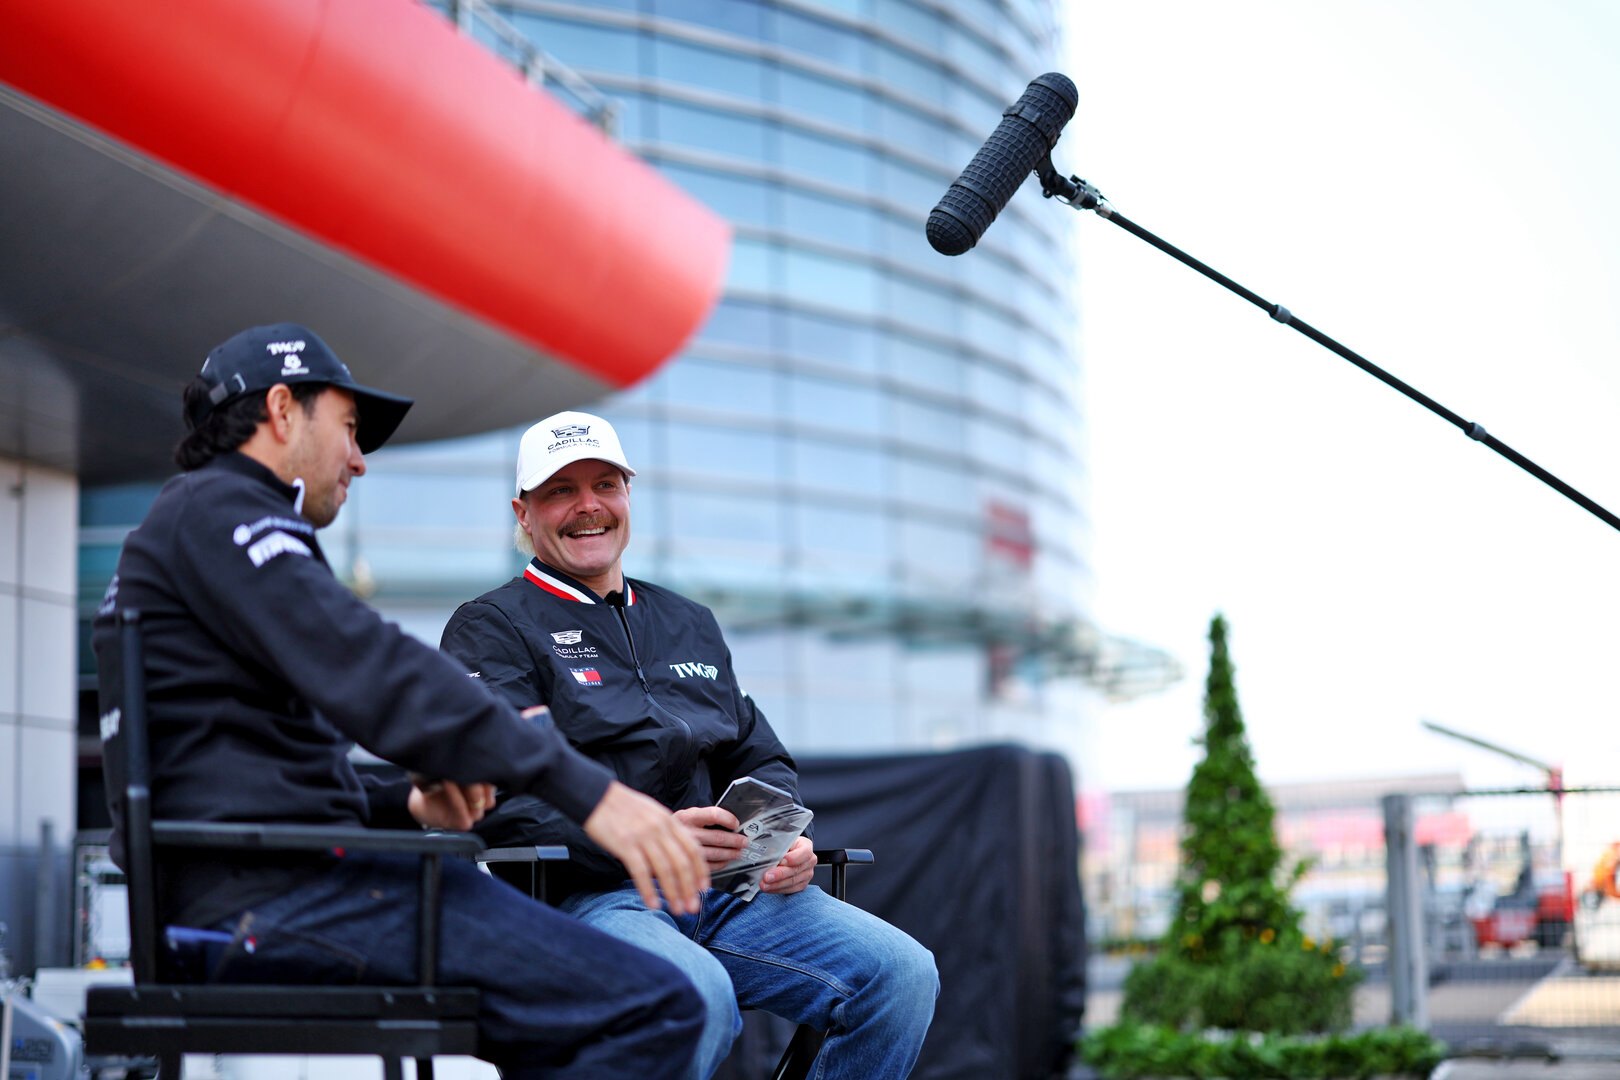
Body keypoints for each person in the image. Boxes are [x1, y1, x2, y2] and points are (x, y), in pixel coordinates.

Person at [91, 325, 714, 1080]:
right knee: (658, 1006)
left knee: (586, 1014)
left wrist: (408, 808)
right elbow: (373, 665)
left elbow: (258, 774)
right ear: (283, 410)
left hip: (276, 891)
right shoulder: (223, 510)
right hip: (281, 904)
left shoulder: (200, 525)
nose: (359, 459)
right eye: (349, 430)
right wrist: (592, 794)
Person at [439, 410, 939, 1080]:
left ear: (627, 496)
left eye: (606, 485)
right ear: (523, 514)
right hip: (593, 900)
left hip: (729, 893)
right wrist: (644, 834)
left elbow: (759, 755)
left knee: (902, 974)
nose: (588, 507)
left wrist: (777, 835)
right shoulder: (491, 627)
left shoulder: (688, 622)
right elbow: (494, 793)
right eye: (560, 490)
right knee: (693, 999)